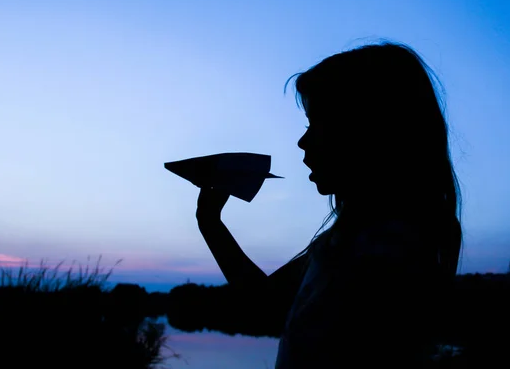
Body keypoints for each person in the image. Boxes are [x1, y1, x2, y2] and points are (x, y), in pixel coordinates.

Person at [195, 40, 463, 368]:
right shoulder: (347, 242)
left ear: (367, 130)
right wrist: (210, 220)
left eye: (316, 123)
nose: (302, 141)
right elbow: (265, 305)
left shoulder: (383, 251)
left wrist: (209, 221)